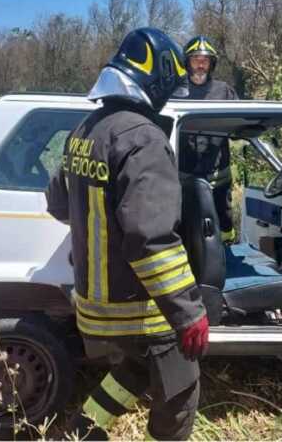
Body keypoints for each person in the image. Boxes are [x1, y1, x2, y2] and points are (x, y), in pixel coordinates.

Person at [46, 27, 209, 441]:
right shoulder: (143, 138)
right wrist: (188, 313)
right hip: (138, 309)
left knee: (135, 368)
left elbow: (59, 204)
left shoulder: (85, 132)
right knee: (181, 390)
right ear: (155, 81)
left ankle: (78, 434)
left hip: (93, 305)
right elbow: (150, 239)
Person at [179, 35, 238, 243]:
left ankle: (227, 250)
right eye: (196, 59)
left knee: (223, 224)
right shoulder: (175, 90)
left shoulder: (224, 91)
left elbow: (239, 126)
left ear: (212, 64)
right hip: (183, 175)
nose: (200, 64)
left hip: (218, 174)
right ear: (187, 63)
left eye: (205, 60)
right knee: (185, 223)